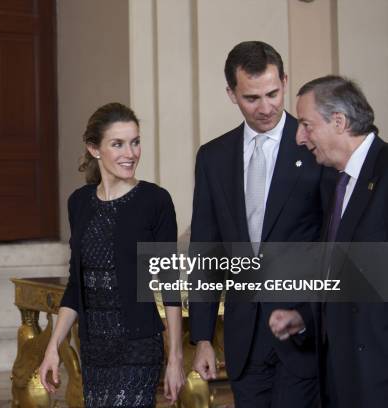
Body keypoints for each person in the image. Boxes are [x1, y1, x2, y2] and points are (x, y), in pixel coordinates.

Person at [188, 41, 323, 407]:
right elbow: (207, 248)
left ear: (284, 81)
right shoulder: (213, 157)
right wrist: (201, 336)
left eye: (273, 93)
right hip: (244, 336)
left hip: (303, 332)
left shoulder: (316, 148)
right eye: (251, 98)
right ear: (231, 94)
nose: (265, 108)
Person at [38, 103, 184, 407]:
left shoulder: (154, 200)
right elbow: (76, 288)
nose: (130, 153)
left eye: (135, 142)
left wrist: (175, 359)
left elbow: (169, 284)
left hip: (138, 346)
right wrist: (53, 346)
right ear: (94, 149)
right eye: (117, 144)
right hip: (94, 348)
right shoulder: (78, 203)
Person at [270, 75, 388, 408]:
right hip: (340, 374)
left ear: (339, 121)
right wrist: (305, 316)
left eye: (306, 125)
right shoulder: (339, 184)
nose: (299, 137)